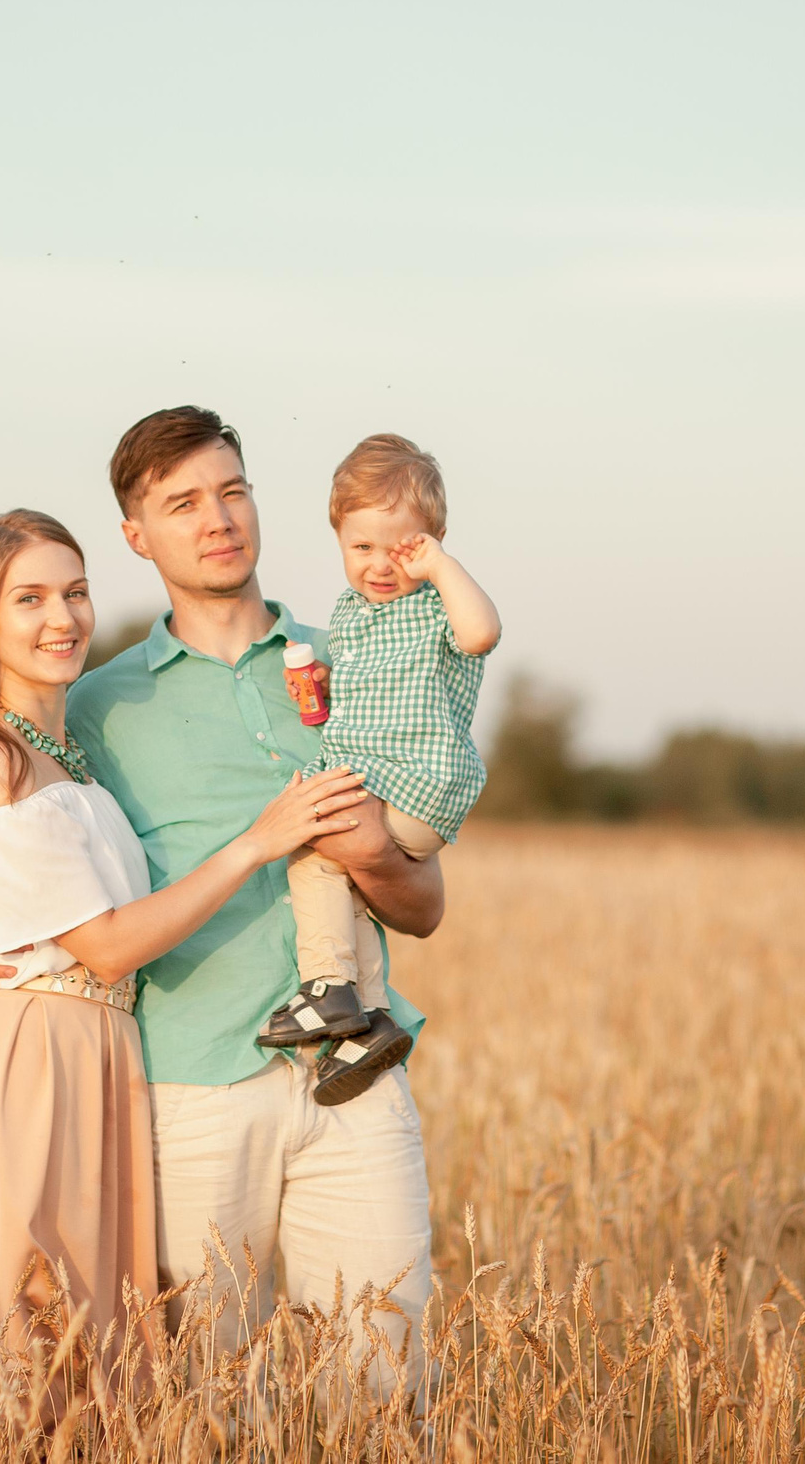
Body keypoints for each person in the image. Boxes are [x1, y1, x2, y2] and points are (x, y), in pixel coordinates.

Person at [0, 410, 449, 1395]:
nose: (218, 519)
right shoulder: (96, 704)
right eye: (182, 504)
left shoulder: (361, 664)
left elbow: (424, 904)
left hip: (360, 1071)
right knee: (206, 1398)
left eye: (231, 491)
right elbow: (7, 820)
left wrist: (370, 851)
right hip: (192, 1089)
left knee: (386, 1382)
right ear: (136, 535)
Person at [0, 507, 367, 1406]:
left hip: (102, 1059)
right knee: (16, 1336)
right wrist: (256, 843)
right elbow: (104, 946)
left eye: (75, 591)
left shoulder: (66, 755)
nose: (62, 617)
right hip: (31, 1063)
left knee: (88, 1357)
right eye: (29, 599)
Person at [261, 433, 500, 1106]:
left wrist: (443, 569)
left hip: (415, 783)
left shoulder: (436, 604)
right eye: (360, 547)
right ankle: (367, 1022)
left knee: (311, 845)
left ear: (432, 541)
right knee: (348, 889)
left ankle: (329, 987)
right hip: (386, 780)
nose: (379, 565)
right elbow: (372, 693)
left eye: (401, 548)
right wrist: (329, 684)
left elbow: (482, 633)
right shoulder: (352, 614)